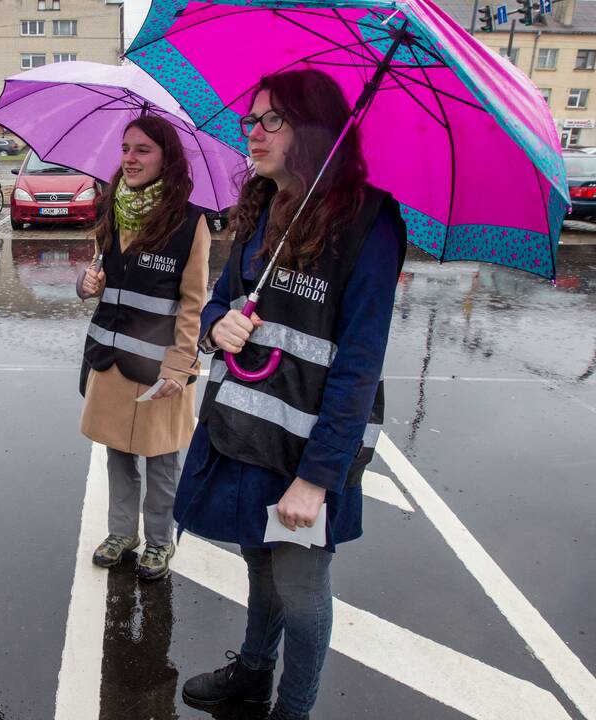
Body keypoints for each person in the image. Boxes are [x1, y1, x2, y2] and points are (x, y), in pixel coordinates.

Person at [176, 70, 407, 720]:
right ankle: (252, 671)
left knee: (302, 594)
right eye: (250, 119)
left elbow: (359, 366)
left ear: (311, 130)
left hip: (307, 453)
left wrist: (316, 479)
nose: (252, 131)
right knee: (259, 561)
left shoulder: (370, 224)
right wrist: (216, 325)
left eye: (270, 119)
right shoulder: (262, 206)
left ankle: (292, 709)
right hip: (245, 431)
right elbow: (221, 302)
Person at [77, 115, 210, 581]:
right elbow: (95, 275)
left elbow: (194, 303)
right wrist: (86, 282)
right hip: (111, 360)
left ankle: (158, 541)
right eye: (126, 149)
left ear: (165, 158)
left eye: (142, 150)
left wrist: (179, 364)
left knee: (160, 459)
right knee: (117, 452)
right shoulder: (112, 208)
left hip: (159, 368)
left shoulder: (190, 222)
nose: (129, 159)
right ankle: (121, 533)